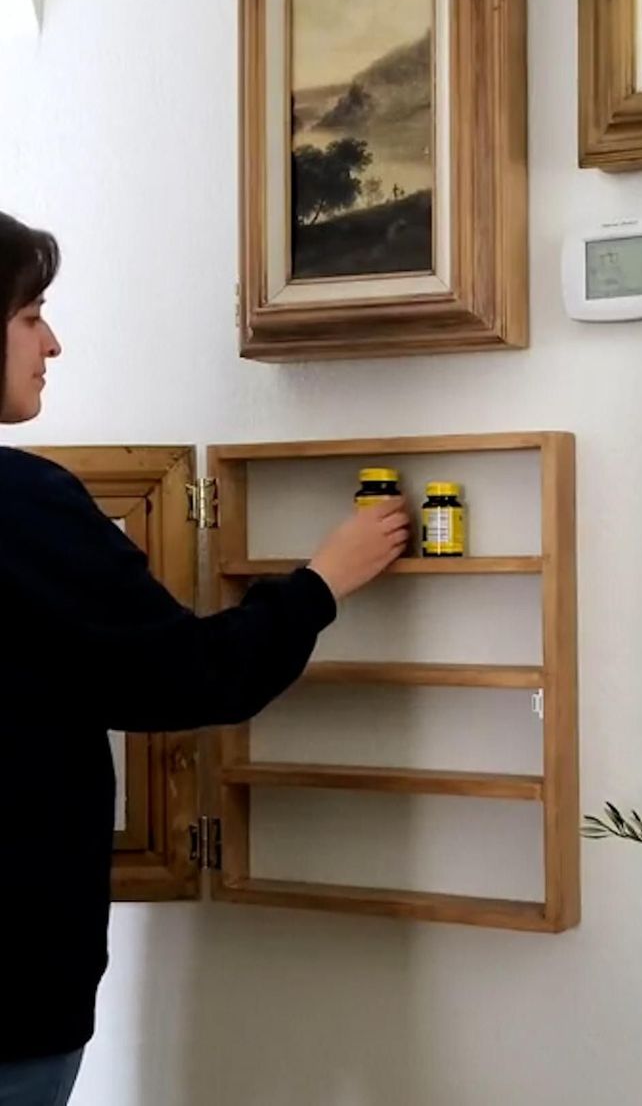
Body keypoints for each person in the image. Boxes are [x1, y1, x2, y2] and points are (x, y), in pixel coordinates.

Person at [0, 211, 410, 1105]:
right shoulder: (21, 508)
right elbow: (192, 674)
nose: (52, 342)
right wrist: (322, 582)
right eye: (31, 315)